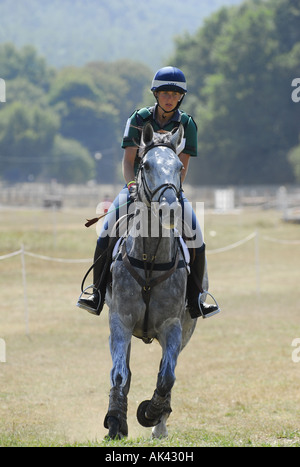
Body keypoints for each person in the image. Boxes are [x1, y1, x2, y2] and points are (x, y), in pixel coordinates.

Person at [77, 66, 220, 319]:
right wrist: (132, 187)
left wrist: (171, 194)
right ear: (156, 94)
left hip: (170, 191)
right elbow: (127, 161)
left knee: (197, 236)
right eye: (164, 93)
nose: (169, 98)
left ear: (181, 97)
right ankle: (96, 293)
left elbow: (182, 166)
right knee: (106, 232)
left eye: (174, 94)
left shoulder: (188, 124)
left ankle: (197, 298)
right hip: (136, 187)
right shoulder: (138, 119)